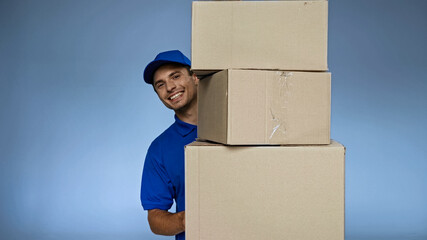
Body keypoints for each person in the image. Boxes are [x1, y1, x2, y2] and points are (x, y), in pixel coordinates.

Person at [140, 50, 199, 240]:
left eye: (175, 76)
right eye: (160, 85)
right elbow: (155, 219)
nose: (170, 87)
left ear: (195, 77)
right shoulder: (159, 149)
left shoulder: (235, 128)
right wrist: (190, 220)